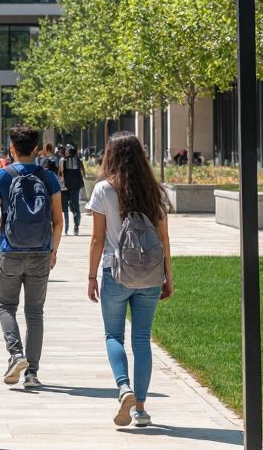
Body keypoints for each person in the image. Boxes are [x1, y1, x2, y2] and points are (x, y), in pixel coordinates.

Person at [86, 131, 174, 428]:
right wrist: (168, 277)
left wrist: (90, 276)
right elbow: (164, 238)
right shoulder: (155, 190)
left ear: (110, 156)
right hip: (150, 274)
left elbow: (97, 239)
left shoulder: (103, 190)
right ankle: (140, 409)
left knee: (114, 336)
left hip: (115, 272)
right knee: (141, 340)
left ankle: (124, 388)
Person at [0, 126, 63, 389]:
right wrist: (53, 250)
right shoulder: (49, 177)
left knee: (6, 306)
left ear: (12, 149)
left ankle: (16, 354)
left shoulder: (0, 176)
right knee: (35, 312)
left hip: (10, 251)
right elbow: (58, 220)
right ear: (37, 149)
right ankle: (32, 373)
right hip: (41, 251)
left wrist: (1, 229)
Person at [60, 144, 87, 236]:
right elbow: (84, 172)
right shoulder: (78, 160)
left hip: (66, 186)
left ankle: (70, 224)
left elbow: (61, 173)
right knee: (76, 205)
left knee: (69, 205)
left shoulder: (64, 160)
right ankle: (76, 224)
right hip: (76, 186)